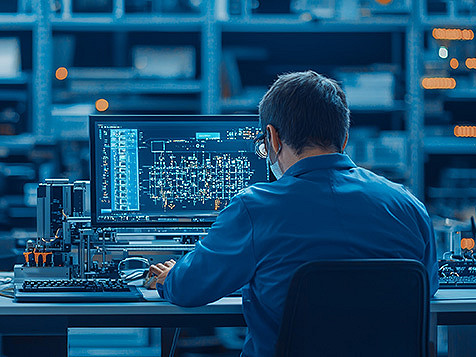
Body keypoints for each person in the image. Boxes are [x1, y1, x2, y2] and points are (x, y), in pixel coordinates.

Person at [148, 70, 439, 357]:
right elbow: (426, 286)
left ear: (272, 138)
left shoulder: (254, 209)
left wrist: (172, 277)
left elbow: (189, 289)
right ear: (345, 138)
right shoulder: (408, 205)